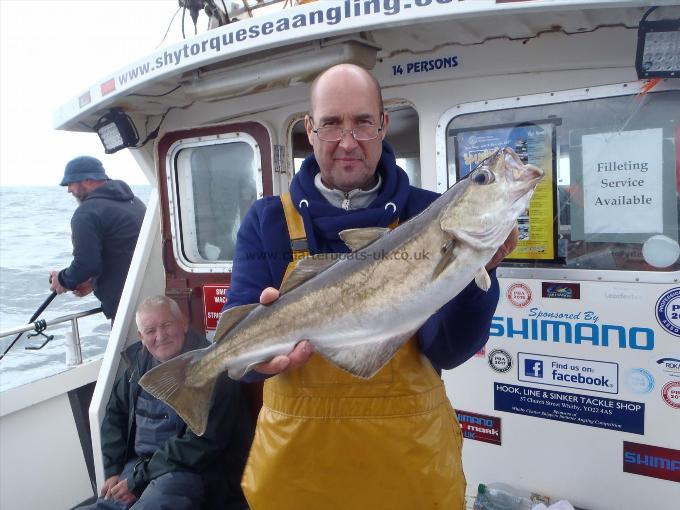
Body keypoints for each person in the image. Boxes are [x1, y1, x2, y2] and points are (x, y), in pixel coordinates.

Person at [224, 64, 517, 509]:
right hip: (298, 470)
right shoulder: (267, 222)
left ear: (383, 124)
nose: (347, 140)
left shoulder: (430, 213)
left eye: (362, 121)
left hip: (407, 464)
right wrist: (258, 361)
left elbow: (447, 351)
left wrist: (480, 276)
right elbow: (240, 353)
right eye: (331, 124)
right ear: (310, 129)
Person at [79, 295, 253, 510]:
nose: (160, 336)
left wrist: (138, 479)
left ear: (184, 323)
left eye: (167, 325)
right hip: (139, 468)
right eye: (151, 331)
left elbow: (202, 444)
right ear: (141, 336)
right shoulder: (136, 369)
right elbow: (115, 415)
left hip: (191, 472)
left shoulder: (212, 368)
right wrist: (113, 470)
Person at [49, 156, 146, 320]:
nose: (68, 190)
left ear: (88, 179)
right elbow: (123, 254)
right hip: (147, 295)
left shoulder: (86, 213)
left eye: (70, 183)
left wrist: (62, 279)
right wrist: (93, 283)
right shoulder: (136, 202)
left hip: (124, 306)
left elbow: (86, 264)